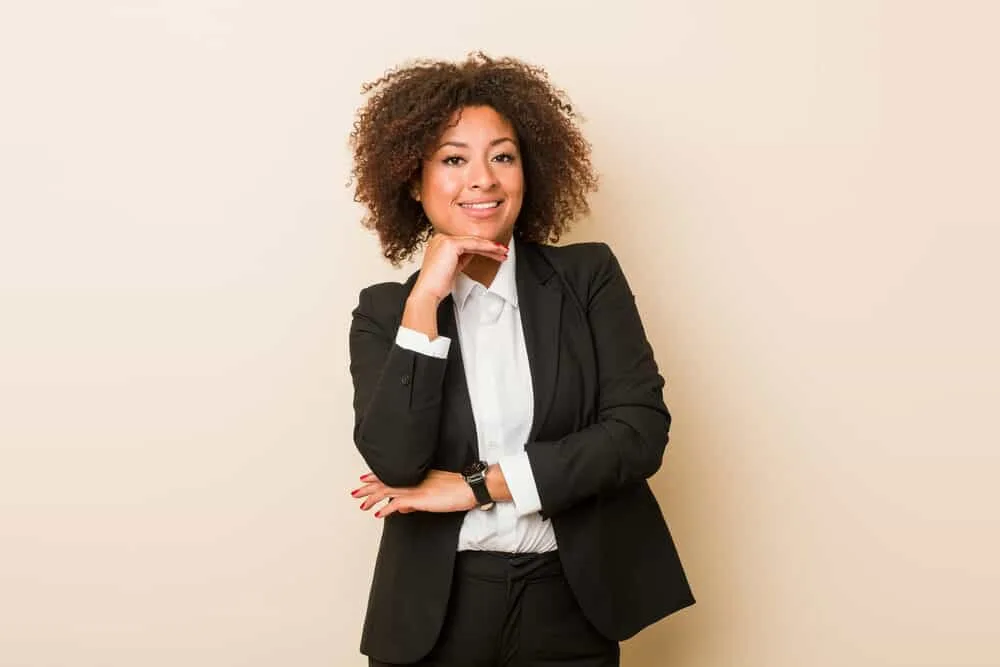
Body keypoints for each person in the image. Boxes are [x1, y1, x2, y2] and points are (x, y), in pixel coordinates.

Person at [347, 53, 694, 667]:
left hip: (571, 602)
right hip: (436, 613)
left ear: (528, 172)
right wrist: (426, 296)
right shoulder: (386, 312)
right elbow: (396, 462)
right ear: (412, 180)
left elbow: (639, 433)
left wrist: (476, 488)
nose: (482, 179)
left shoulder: (588, 278)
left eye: (502, 156)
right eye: (454, 159)